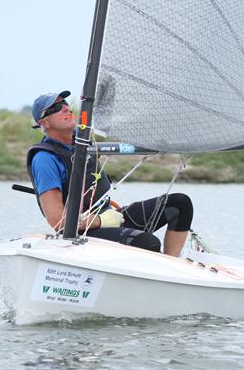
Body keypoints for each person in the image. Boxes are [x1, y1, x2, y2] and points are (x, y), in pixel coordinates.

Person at [26, 90, 193, 257]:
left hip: (110, 216)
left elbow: (106, 102)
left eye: (66, 104)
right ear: (44, 122)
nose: (66, 109)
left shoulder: (82, 140)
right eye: (56, 107)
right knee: (148, 242)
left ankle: (170, 266)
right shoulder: (44, 160)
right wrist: (101, 221)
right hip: (82, 232)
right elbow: (58, 221)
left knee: (180, 203)